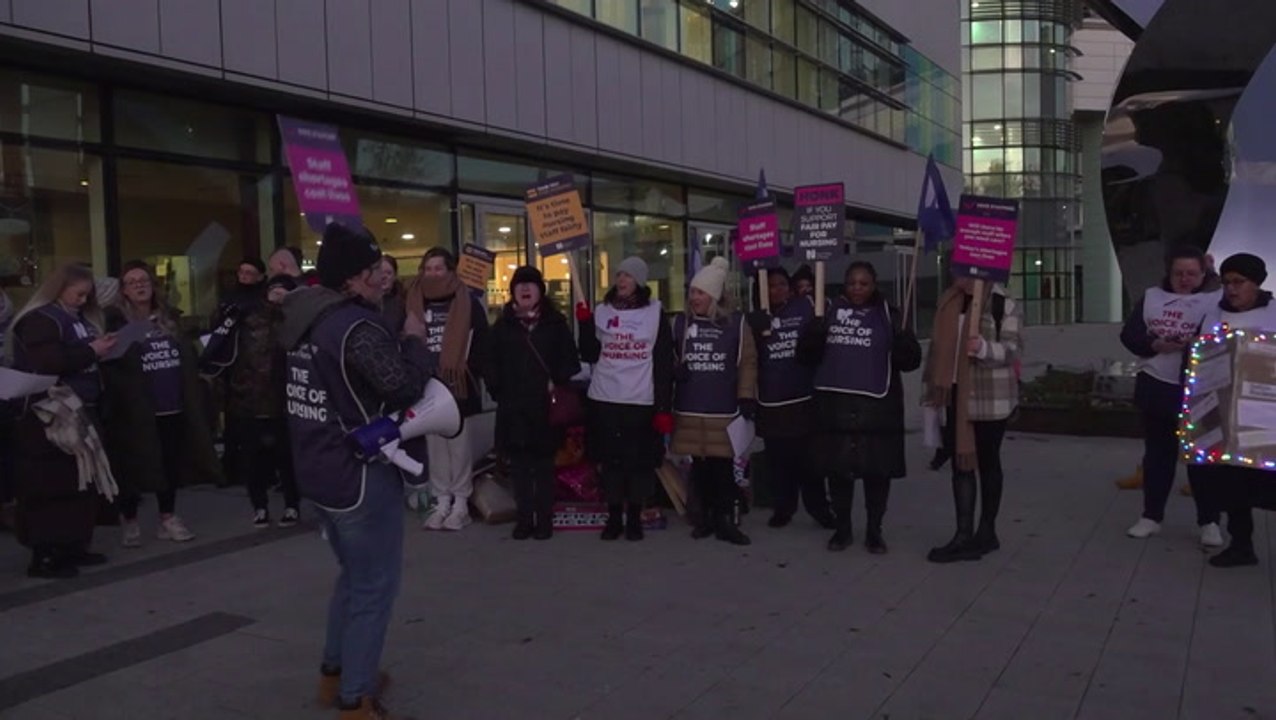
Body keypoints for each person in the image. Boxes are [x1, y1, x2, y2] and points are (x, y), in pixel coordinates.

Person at [280, 223, 428, 719]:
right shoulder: (354, 327)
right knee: (374, 586)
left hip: (317, 469)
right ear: (353, 277)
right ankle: (356, 697)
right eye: (372, 272)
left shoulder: (303, 316)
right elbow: (404, 387)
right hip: (359, 474)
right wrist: (413, 340)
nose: (379, 280)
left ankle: (335, 672)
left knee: (352, 576)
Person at [799, 262, 921, 553]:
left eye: (863, 283)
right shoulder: (827, 312)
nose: (857, 288)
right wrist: (813, 335)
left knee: (877, 475)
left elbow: (910, 362)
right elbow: (805, 357)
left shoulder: (890, 316)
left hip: (878, 410)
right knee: (839, 474)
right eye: (852, 282)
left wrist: (905, 343)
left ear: (874, 285)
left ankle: (874, 530)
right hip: (836, 408)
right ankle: (842, 530)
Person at [5, 263, 117, 578]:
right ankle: (45, 553)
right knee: (50, 485)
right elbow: (49, 362)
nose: (83, 300)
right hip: (49, 414)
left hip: (79, 407)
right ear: (59, 289)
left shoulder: (76, 319)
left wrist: (100, 349)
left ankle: (72, 545)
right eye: (79, 293)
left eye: (87, 295)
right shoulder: (39, 320)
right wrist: (92, 350)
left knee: (80, 482)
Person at [103, 260, 221, 546]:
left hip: (173, 404)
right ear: (124, 291)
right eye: (132, 282)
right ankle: (129, 518)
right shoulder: (115, 321)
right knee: (133, 464)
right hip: (136, 409)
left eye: (144, 280)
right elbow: (109, 362)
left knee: (170, 463)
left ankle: (168, 517)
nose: (140, 285)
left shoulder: (169, 318)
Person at [1119, 246, 1222, 546]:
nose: (1185, 279)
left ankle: (1210, 521)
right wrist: (1154, 343)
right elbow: (1130, 335)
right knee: (1157, 455)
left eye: (1192, 273)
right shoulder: (1151, 297)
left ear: (1203, 274)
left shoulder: (1215, 300)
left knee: (1201, 459)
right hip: (1157, 383)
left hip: (1201, 388)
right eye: (1179, 273)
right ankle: (1151, 516)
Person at [922, 268, 1023, 563]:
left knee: (988, 463)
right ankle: (962, 534)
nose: (958, 277)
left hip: (990, 400)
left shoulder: (1004, 304)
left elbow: (1012, 350)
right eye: (955, 270)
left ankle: (987, 531)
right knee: (960, 464)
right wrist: (930, 391)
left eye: (964, 271)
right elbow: (936, 350)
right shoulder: (949, 302)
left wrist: (982, 348)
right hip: (954, 395)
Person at [577, 256, 674, 541]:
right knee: (611, 462)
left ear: (640, 282)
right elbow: (590, 354)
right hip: (606, 397)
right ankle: (613, 516)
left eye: (628, 276)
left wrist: (663, 406)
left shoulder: (655, 313)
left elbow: (664, 362)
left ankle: (634, 517)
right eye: (619, 275)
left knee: (638, 464)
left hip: (640, 399)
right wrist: (585, 324)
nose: (621, 280)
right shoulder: (603, 310)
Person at [486, 266, 581, 540]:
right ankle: (524, 519)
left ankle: (545, 520)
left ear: (541, 291)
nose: (525, 290)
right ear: (513, 292)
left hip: (545, 408)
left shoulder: (555, 323)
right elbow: (488, 362)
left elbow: (570, 361)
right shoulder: (502, 326)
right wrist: (499, 390)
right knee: (519, 468)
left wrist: (557, 379)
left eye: (531, 285)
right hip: (513, 408)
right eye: (520, 286)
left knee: (543, 467)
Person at [400, 247, 488, 531]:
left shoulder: (467, 302)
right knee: (434, 445)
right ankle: (441, 499)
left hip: (457, 383)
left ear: (451, 271)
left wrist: (467, 371)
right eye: (428, 268)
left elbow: (481, 341)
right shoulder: (413, 300)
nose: (433, 274)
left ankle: (460, 502)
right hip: (426, 383)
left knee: (459, 446)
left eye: (439, 268)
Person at [672, 257, 758, 546]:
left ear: (715, 295)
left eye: (700, 293)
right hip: (691, 407)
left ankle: (726, 521)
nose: (693, 298)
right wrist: (675, 369)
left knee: (723, 470)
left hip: (723, 409)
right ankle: (705, 518)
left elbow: (747, 361)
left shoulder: (736, 324)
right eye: (692, 292)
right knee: (699, 469)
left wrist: (746, 395)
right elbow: (667, 357)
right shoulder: (681, 324)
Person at [1201, 254, 1276, 567]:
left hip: (1268, 418)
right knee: (1233, 486)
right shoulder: (1215, 314)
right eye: (1227, 282)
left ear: (1256, 283)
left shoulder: (1273, 313)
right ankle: (1241, 545)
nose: (1231, 289)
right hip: (1228, 416)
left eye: (1238, 282)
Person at [746, 266, 833, 529]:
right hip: (772, 403)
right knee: (779, 462)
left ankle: (819, 508)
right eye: (771, 286)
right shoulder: (755, 318)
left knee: (810, 462)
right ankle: (784, 507)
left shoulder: (804, 307)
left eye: (783, 284)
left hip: (803, 399)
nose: (778, 290)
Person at [222, 273, 301, 527]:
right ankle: (259, 506)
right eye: (274, 289)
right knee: (254, 459)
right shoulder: (250, 316)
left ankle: (292, 504)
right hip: (251, 398)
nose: (278, 294)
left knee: (287, 458)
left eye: (284, 290)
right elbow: (222, 338)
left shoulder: (296, 318)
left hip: (286, 399)